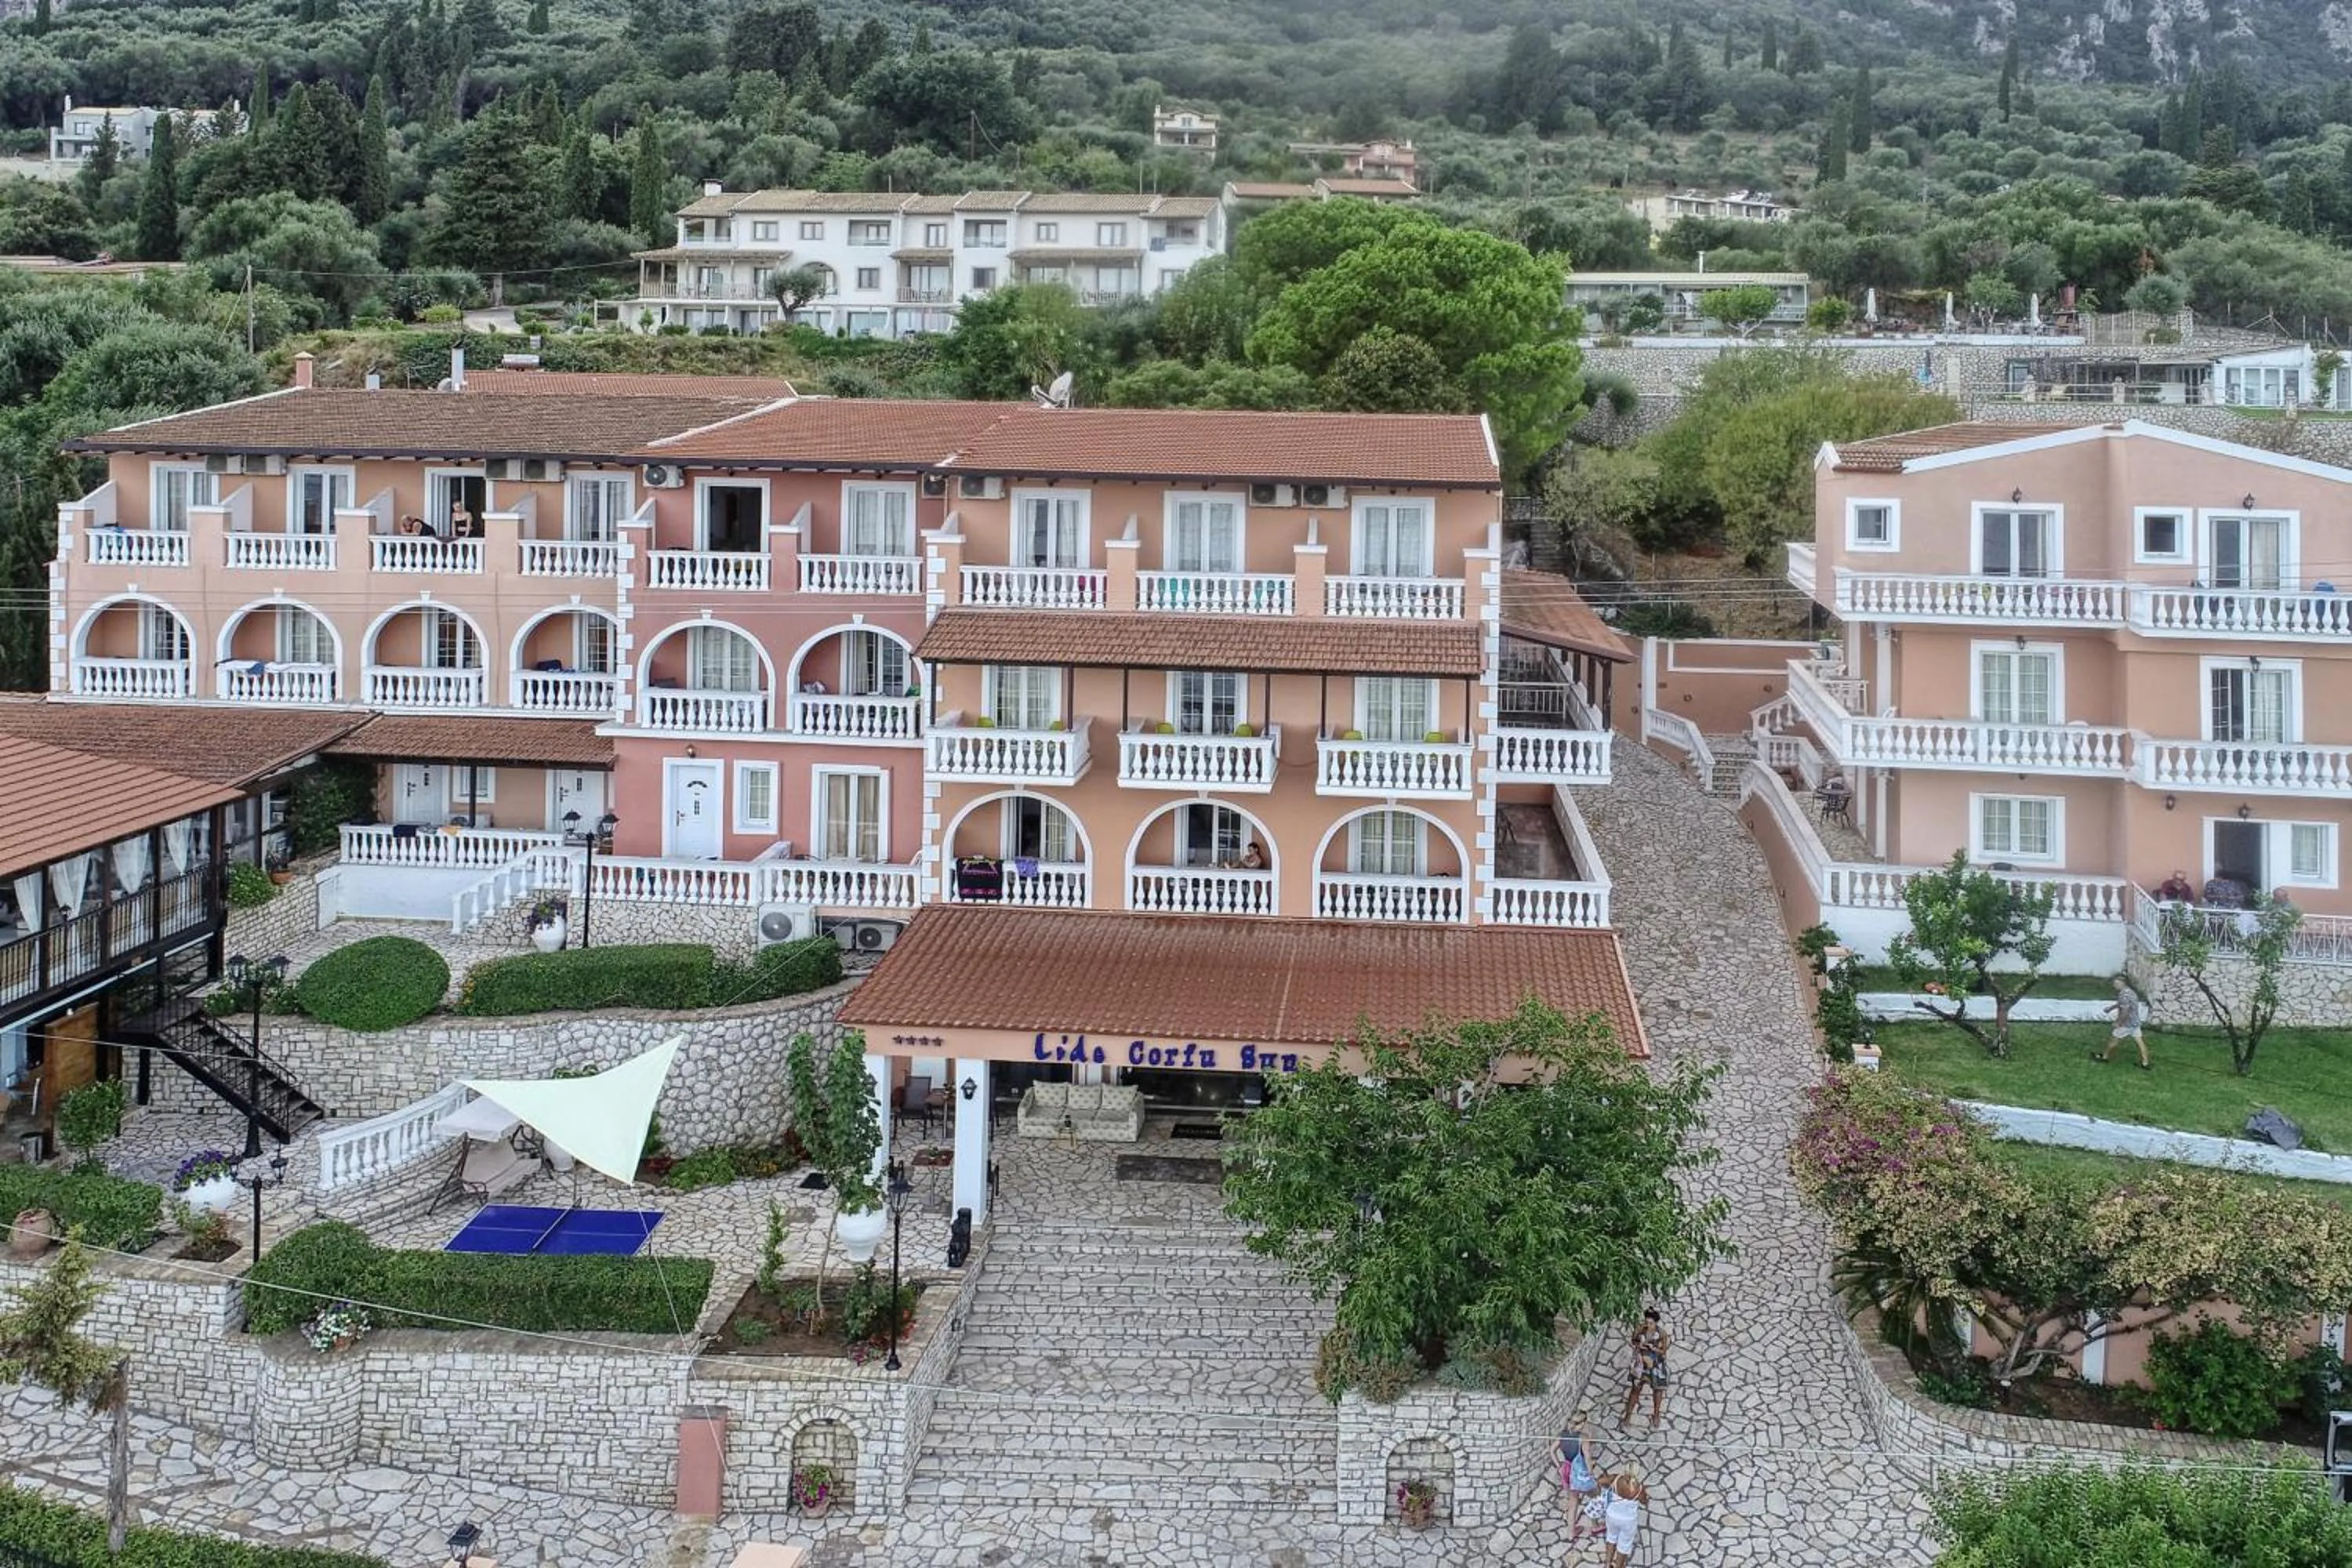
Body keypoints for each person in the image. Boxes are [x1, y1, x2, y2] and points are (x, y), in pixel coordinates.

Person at [1619, 1308, 1671, 1428]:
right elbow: (1634, 1341)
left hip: (1655, 1363)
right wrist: (1640, 1345)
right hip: (1641, 1362)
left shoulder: (1662, 1333)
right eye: (1647, 1322)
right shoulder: (1640, 1329)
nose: (1648, 1325)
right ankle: (1628, 1415)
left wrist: (1654, 1349)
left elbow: (1663, 1351)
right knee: (1635, 1389)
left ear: (1656, 1323)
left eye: (1651, 1323)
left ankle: (1656, 1414)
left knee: (1658, 1390)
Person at [1557, 1414, 1602, 1544]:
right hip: (1579, 1474)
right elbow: (1587, 1457)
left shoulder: (1562, 1435)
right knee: (1596, 1496)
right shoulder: (1583, 1438)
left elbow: (1552, 1450)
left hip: (1567, 1470)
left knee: (1573, 1501)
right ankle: (1595, 1525)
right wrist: (1591, 1474)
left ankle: (1571, 1534)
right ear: (1582, 1423)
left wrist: (1559, 1466)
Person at [2097, 975, 2149, 1069]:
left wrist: (2119, 1023)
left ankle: (2104, 1057)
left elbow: (2125, 1011)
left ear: (2123, 984)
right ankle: (2145, 1063)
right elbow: (2122, 1003)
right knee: (2140, 1042)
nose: (2114, 986)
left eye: (2116, 984)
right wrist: (2111, 1008)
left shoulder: (2123, 995)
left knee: (2114, 1039)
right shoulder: (2131, 992)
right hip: (2135, 1022)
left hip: (2127, 1023)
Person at [1600, 1469, 1648, 1568]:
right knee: (1624, 1545)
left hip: (1611, 1516)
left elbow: (1600, 1482)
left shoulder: (1616, 1479)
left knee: (1611, 1537)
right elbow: (1644, 1501)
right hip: (1628, 1521)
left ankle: (1607, 1564)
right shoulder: (1637, 1489)